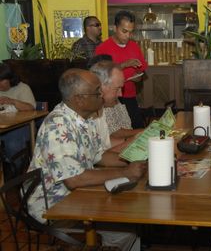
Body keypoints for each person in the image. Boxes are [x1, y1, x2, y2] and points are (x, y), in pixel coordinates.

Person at [27, 68, 147, 250]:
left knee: (132, 211)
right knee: (125, 230)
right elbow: (74, 179)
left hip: (78, 194)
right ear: (79, 99)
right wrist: (126, 172)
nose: (102, 94)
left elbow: (100, 156)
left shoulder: (86, 118)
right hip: (51, 205)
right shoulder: (58, 126)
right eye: (97, 91)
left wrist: (135, 159)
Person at [95, 10, 148, 129]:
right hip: (110, 99)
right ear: (115, 28)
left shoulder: (134, 46)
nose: (128, 36)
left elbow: (141, 71)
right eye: (124, 31)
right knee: (115, 132)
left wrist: (138, 76)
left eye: (131, 32)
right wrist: (124, 64)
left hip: (130, 95)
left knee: (137, 127)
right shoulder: (103, 48)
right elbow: (99, 76)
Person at [89, 60, 143, 152]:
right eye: (117, 89)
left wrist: (136, 140)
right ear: (100, 87)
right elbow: (98, 158)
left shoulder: (99, 107)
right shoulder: (82, 115)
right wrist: (135, 140)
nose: (121, 94)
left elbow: (103, 145)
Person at [0, 63, 36, 179]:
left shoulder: (22, 88)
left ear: (10, 78)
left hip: (22, 126)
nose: (0, 84)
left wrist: (11, 101)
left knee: (13, 143)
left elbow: (31, 108)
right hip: (3, 126)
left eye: (2, 80)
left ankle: (17, 175)